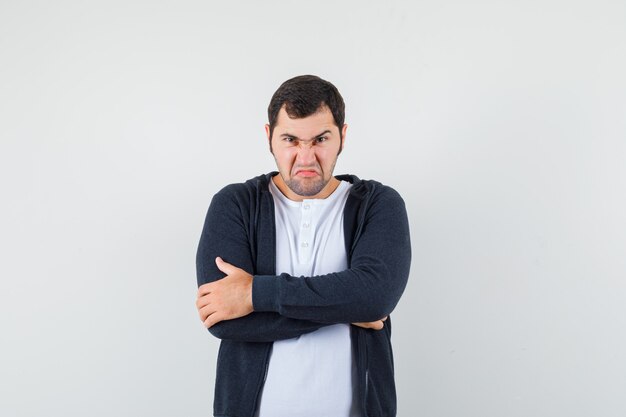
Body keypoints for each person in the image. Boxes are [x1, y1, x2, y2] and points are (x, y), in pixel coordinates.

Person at [195, 75, 411, 417]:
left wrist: (254, 295)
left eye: (321, 139)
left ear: (342, 136)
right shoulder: (235, 204)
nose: (306, 157)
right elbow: (225, 321)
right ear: (269, 138)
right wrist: (349, 308)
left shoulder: (378, 204)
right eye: (291, 139)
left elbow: (376, 296)